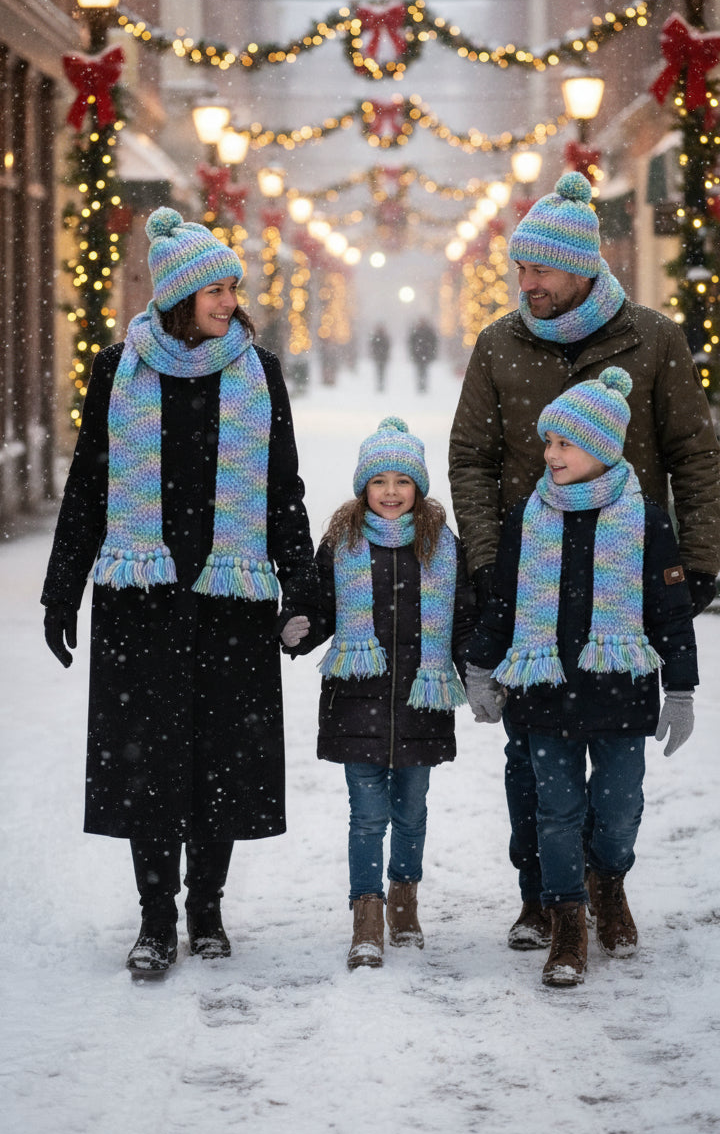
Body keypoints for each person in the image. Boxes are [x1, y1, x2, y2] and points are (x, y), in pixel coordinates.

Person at [448, 170, 720, 951]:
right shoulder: (499, 343)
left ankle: (607, 881)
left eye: (539, 269)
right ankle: (543, 894)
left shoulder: (652, 339)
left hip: (621, 587)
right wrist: (490, 560)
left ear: (580, 267)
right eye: (519, 269)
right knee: (531, 755)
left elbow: (693, 452)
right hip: (529, 587)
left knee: (618, 760)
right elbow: (471, 457)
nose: (525, 283)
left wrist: (697, 559)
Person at [42, 207, 318, 978]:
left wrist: (301, 586)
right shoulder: (118, 370)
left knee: (222, 757)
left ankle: (208, 908)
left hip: (230, 591)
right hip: (143, 595)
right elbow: (91, 485)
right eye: (215, 290)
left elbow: (281, 490)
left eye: (233, 288)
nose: (230, 301)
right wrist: (62, 590)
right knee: (150, 760)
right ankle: (156, 918)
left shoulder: (257, 373)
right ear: (177, 297)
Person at [465, 367, 698, 986]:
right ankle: (567, 920)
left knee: (619, 809)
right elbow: (504, 603)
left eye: (565, 443)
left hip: (620, 694)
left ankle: (609, 884)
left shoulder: (646, 519)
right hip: (544, 694)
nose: (550, 454)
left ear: (603, 448)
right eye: (548, 442)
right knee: (557, 812)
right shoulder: (528, 516)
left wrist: (680, 689)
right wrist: (481, 667)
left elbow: (669, 612)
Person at [283, 415, 476, 970]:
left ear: (419, 487)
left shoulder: (442, 547)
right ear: (363, 487)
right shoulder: (341, 544)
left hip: (422, 703)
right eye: (379, 481)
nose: (391, 493)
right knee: (367, 816)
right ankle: (366, 916)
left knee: (411, 813)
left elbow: (462, 621)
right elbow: (320, 608)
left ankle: (404, 902)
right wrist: (297, 628)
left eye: (402, 481)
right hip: (356, 705)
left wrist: (476, 671)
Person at [408, 317, 438, 392]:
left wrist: (432, 353)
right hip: (419, 355)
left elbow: (434, 343)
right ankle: (421, 385)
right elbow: (411, 343)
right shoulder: (417, 332)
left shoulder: (426, 332)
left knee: (424, 370)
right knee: (420, 370)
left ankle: (423, 385)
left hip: (425, 355)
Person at [368, 324, 391, 391]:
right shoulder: (379, 337)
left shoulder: (380, 337)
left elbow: (387, 347)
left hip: (381, 357)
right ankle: (380, 384)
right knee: (379, 371)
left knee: (381, 371)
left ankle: (381, 384)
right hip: (379, 357)